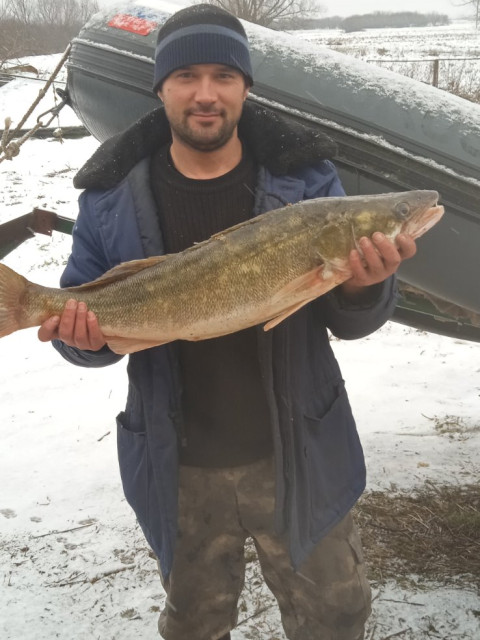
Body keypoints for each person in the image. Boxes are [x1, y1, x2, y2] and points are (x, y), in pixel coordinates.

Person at [38, 4, 417, 639]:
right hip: (178, 465)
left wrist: (362, 288)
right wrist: (82, 340)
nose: (206, 94)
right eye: (186, 76)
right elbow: (88, 327)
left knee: (335, 616)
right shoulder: (109, 197)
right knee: (195, 624)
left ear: (246, 86)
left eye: (224, 75)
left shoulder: (308, 185)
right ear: (160, 87)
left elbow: (353, 322)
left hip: (299, 452)